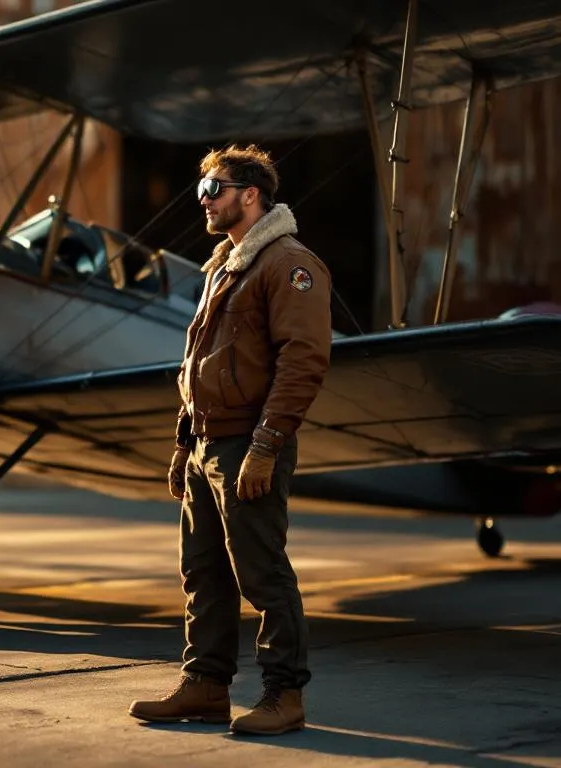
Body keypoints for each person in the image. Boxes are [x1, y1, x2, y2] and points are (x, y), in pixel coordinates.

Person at [128, 144, 332, 735]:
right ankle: (206, 686)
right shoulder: (224, 264)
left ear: (251, 195)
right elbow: (199, 359)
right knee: (204, 572)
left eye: (212, 189)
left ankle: (284, 695)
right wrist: (182, 441)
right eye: (201, 191)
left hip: (247, 443)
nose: (203, 201)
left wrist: (267, 444)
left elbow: (305, 358)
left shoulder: (289, 263)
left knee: (261, 572)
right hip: (205, 444)